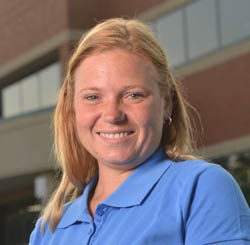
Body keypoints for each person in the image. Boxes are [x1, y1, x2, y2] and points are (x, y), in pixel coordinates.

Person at [29, 18, 250, 244]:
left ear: (166, 103)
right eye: (93, 97)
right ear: (72, 108)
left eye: (133, 95)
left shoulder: (200, 189)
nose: (112, 115)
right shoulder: (49, 230)